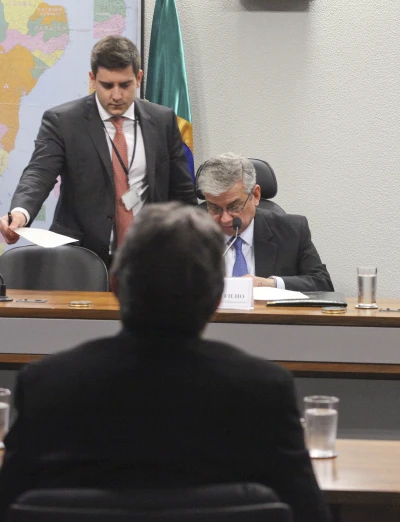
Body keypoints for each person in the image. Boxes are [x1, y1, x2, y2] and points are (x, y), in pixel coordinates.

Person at [0, 203, 330, 522]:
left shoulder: (47, 385)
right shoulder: (264, 390)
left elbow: (8, 504)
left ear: (115, 286)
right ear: (217, 297)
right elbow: (308, 512)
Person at [0, 36, 196, 266]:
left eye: (125, 85)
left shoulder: (163, 120)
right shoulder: (64, 121)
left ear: (139, 78)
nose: (116, 95)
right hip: (82, 258)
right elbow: (39, 173)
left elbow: (182, 192)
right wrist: (21, 213)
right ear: (93, 79)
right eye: (107, 85)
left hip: (151, 258)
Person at [197, 153, 333, 292]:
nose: (225, 219)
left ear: (255, 195)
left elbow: (323, 284)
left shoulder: (292, 231)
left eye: (234, 207)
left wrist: (269, 284)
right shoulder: (192, 235)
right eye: (214, 208)